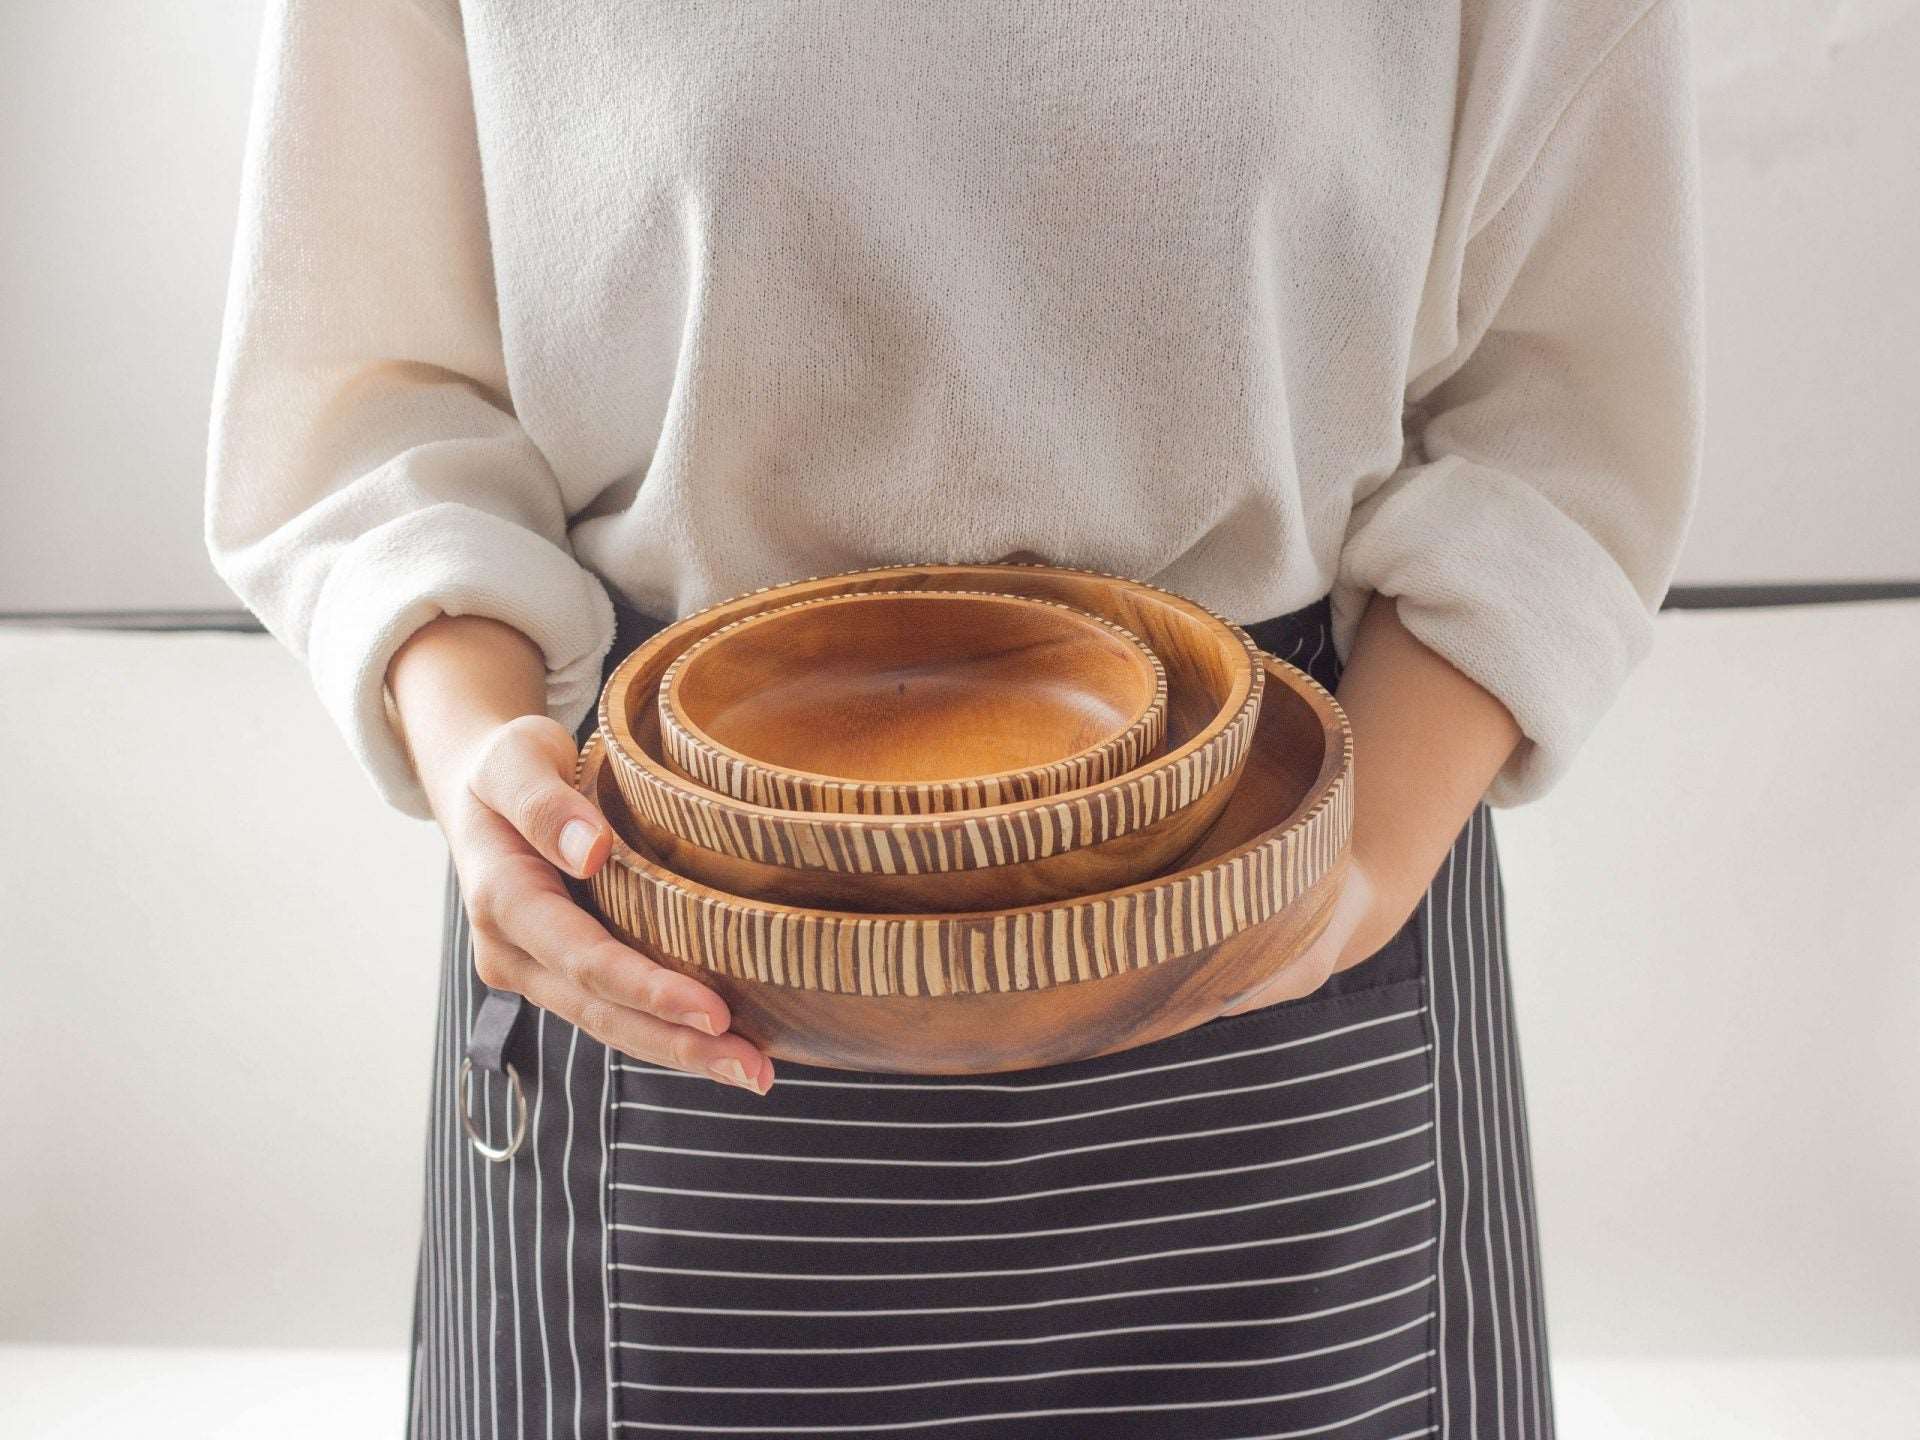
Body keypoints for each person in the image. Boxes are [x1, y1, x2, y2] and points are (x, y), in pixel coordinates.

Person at [204, 1, 1702, 1434]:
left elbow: (1560, 406)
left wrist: (1357, 868)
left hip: (1285, 974)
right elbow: (372, 389)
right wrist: (482, 760)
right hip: (672, 966)